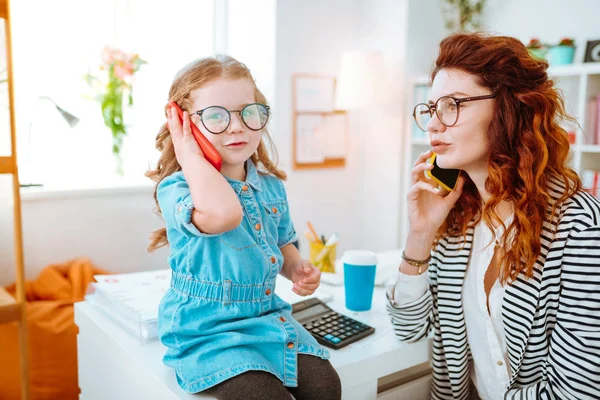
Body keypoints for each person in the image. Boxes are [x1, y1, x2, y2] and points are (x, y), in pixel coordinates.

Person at [387, 32, 600, 400]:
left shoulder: (579, 228)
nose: (434, 124)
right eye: (432, 108)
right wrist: (420, 236)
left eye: (453, 104)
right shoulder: (459, 220)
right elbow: (409, 327)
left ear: (507, 108)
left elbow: (577, 392)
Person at [146, 55, 341, 400]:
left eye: (248, 112)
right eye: (216, 116)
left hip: (264, 318)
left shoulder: (270, 187)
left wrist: (298, 269)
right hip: (206, 331)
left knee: (327, 386)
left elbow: (281, 244)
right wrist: (188, 152)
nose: (236, 126)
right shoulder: (177, 189)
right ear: (183, 125)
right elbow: (224, 214)